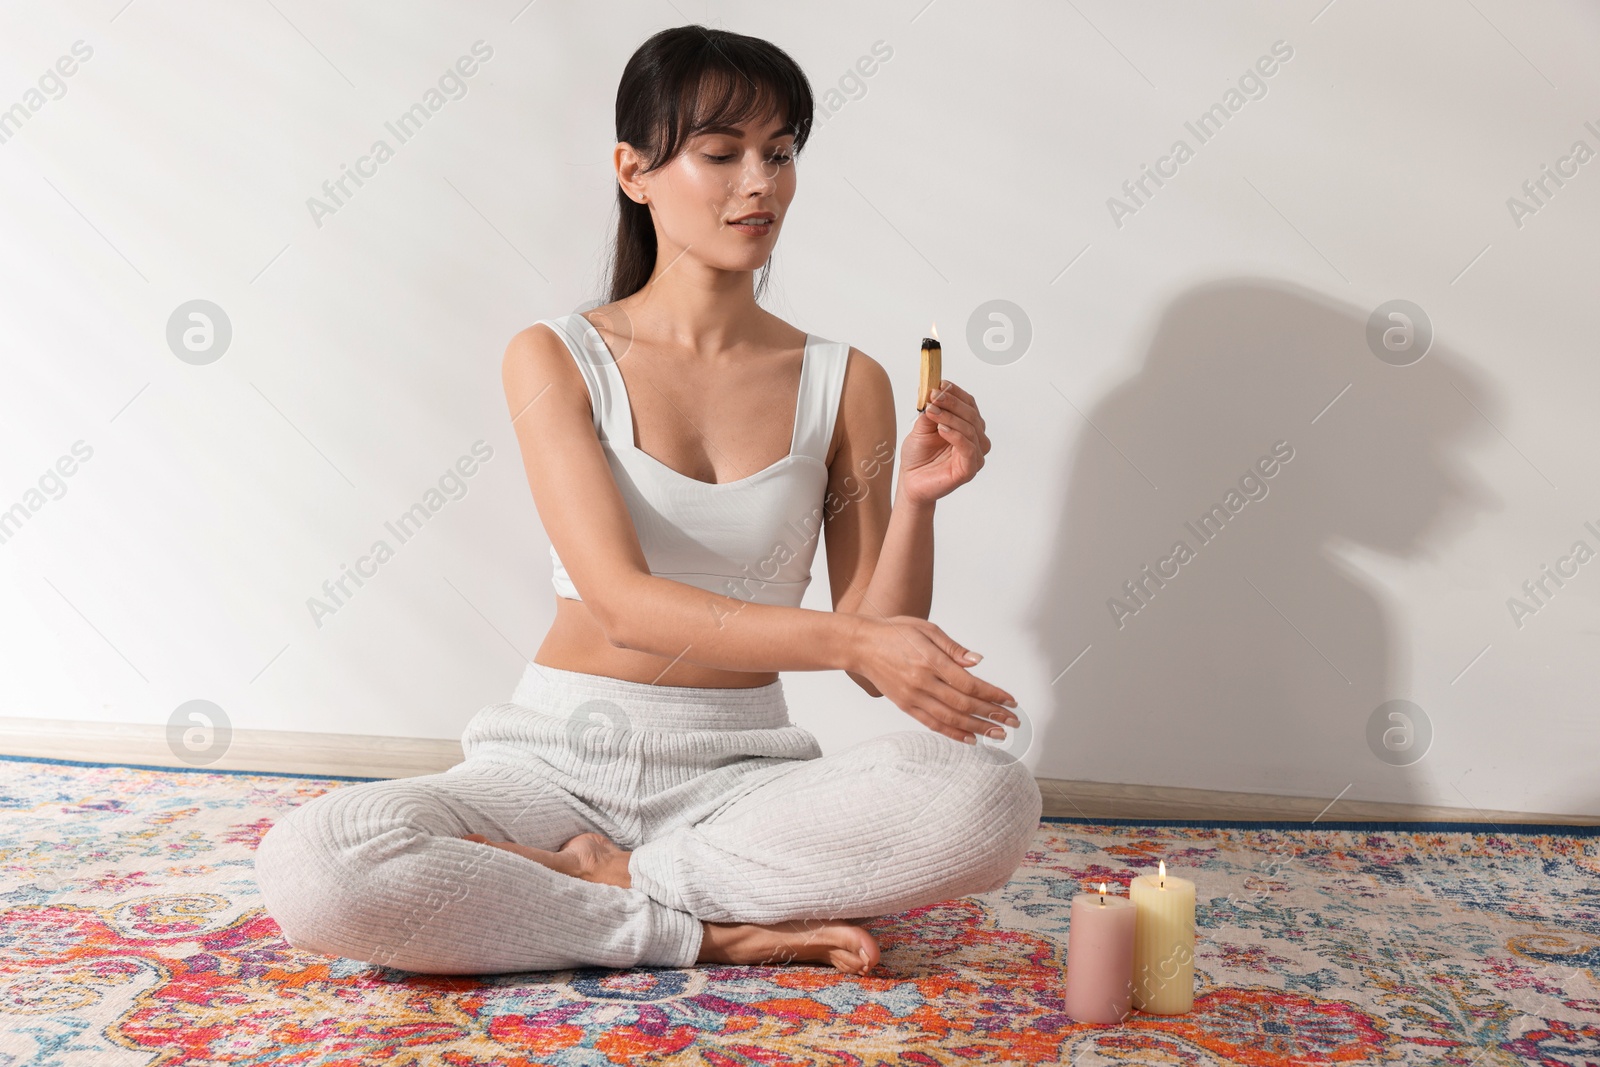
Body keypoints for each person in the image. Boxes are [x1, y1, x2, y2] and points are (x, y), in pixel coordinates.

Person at [253, 24, 1039, 978]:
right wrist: (854, 640)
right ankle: (693, 927)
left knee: (991, 799)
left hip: (740, 779)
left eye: (781, 153)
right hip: (550, 761)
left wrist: (914, 502)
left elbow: (879, 657)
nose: (762, 182)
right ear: (634, 170)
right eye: (721, 153)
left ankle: (616, 877)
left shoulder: (847, 381)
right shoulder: (555, 357)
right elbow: (623, 604)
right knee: (318, 864)